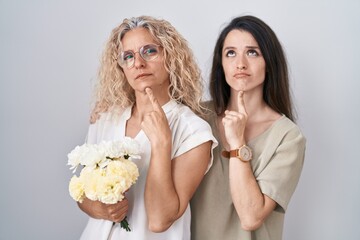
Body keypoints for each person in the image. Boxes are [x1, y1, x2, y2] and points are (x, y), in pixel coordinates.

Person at [77, 15, 217, 240]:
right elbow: (81, 192)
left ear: (170, 57)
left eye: (150, 51)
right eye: (128, 56)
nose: (138, 63)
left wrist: (162, 143)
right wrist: (98, 209)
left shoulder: (194, 131)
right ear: (121, 67)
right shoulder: (106, 118)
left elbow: (160, 219)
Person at [190, 15, 306, 240]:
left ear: (269, 62)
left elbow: (251, 217)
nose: (240, 63)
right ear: (221, 64)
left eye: (252, 52)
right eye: (230, 53)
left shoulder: (289, 137)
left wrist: (237, 143)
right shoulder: (196, 117)